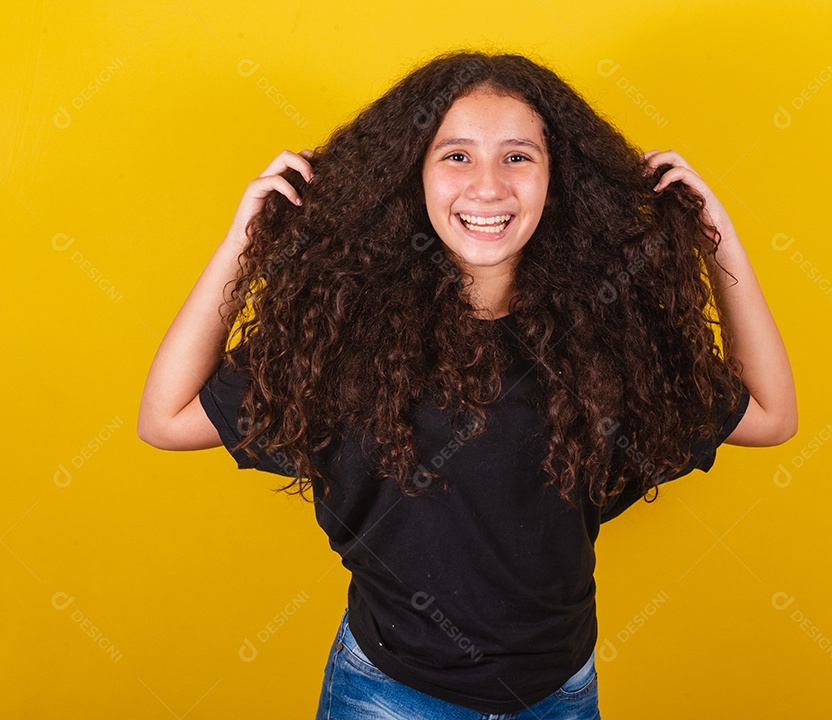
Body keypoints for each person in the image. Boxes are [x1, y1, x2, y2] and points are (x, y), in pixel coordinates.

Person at [138, 50, 796, 720]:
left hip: (560, 698)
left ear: (555, 179)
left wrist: (715, 238)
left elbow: (772, 414)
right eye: (456, 156)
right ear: (412, 176)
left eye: (518, 156)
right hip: (387, 697)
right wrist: (246, 241)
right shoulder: (345, 337)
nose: (488, 186)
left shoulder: (606, 333)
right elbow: (165, 418)